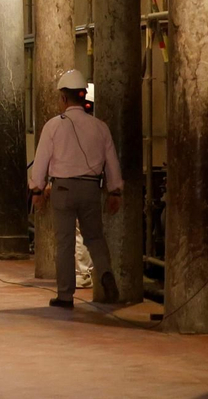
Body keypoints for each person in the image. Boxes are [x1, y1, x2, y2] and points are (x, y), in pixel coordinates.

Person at [30, 69, 123, 308]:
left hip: (63, 189)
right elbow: (111, 161)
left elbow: (41, 160)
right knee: (94, 237)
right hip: (91, 188)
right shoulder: (100, 127)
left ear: (63, 98)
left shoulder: (53, 126)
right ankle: (104, 273)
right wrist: (115, 191)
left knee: (65, 242)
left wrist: (37, 190)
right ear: (83, 97)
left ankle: (65, 295)